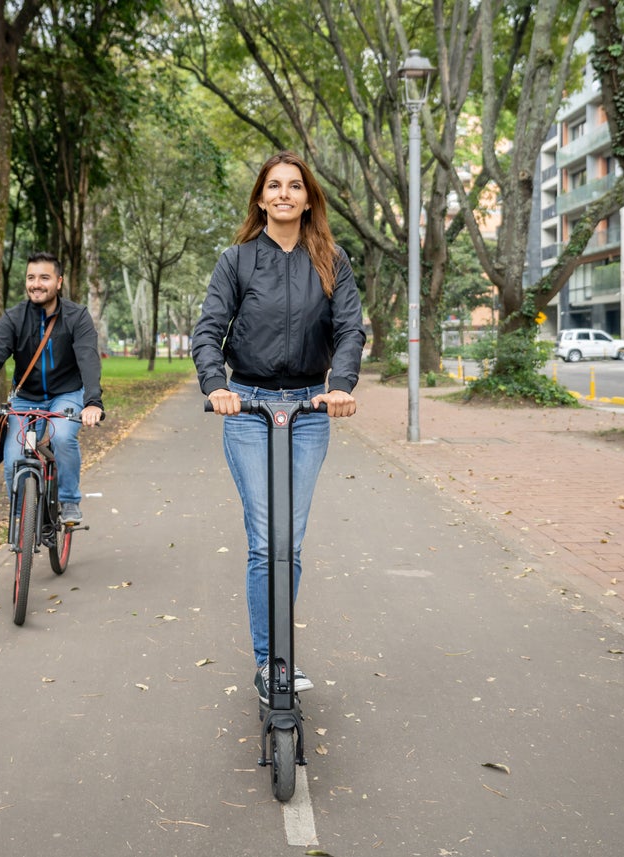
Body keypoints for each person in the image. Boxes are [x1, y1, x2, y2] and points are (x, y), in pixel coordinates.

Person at [192, 151, 366, 704]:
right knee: (266, 541)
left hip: (311, 410)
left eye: (295, 186)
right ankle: (272, 664)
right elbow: (209, 329)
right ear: (261, 198)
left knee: (289, 543)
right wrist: (215, 385)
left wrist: (341, 384)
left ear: (308, 197)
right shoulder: (237, 261)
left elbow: (349, 331)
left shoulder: (332, 260)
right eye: (274, 186)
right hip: (247, 406)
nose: (285, 194)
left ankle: (280, 657)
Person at [0, 251, 104, 525]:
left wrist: (92, 402)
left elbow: (88, 358)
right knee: (14, 456)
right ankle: (22, 523)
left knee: (63, 438)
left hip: (67, 395)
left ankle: (68, 500)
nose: (36, 284)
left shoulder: (77, 317)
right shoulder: (14, 318)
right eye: (31, 277)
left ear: (59, 282)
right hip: (26, 399)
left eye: (44, 277)